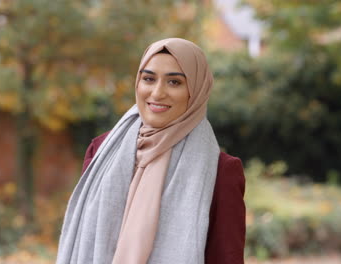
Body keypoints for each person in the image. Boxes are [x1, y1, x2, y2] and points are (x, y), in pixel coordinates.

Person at [56, 38, 245, 264]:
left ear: (196, 91)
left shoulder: (221, 171)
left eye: (174, 82)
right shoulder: (101, 150)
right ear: (137, 83)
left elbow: (226, 257)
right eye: (148, 79)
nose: (157, 93)